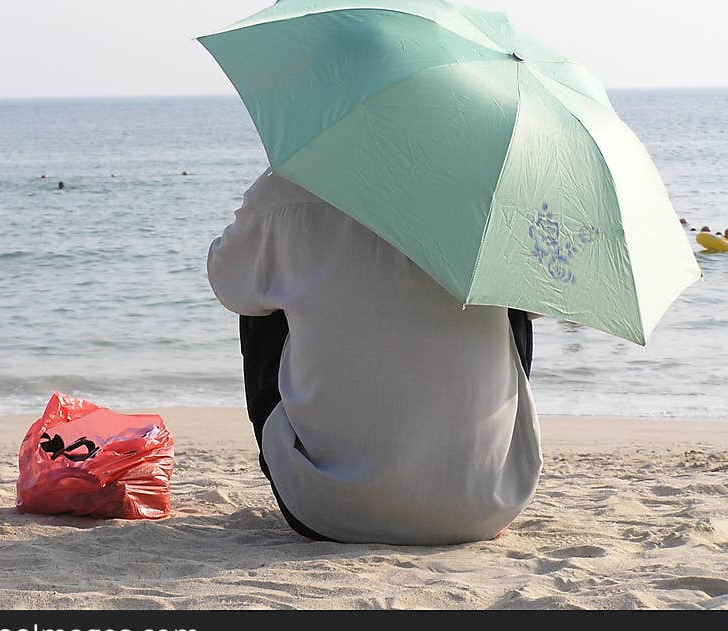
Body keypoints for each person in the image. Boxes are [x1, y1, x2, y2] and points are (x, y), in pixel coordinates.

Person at [207, 170, 541, 545]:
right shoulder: (495, 187)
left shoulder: (288, 184)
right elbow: (543, 298)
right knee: (514, 302)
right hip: (486, 505)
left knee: (257, 295)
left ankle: (314, 451)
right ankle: (481, 464)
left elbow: (226, 279)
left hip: (323, 507)